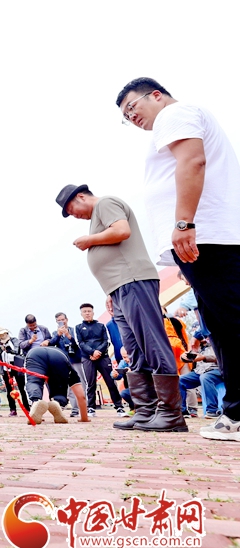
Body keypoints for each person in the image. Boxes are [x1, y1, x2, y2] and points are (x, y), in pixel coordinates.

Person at [116, 77, 240, 441]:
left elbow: (192, 161)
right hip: (206, 239)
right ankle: (235, 412)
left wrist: (184, 222)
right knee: (222, 326)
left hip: (208, 237)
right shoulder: (175, 120)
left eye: (132, 107)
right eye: (125, 116)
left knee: (231, 323)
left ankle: (237, 412)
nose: (131, 117)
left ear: (156, 95)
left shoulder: (175, 113)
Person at [58, 183, 183, 432]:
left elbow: (122, 231)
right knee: (134, 350)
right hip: (120, 288)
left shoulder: (105, 204)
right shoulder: (97, 216)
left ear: (81, 196)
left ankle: (171, 413)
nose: (74, 216)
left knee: (152, 343)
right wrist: (109, 291)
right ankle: (145, 411)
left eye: (72, 210)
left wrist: (89, 240)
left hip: (134, 280)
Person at [74, 303, 127, 417]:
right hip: (87, 358)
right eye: (84, 311)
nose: (87, 313)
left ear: (93, 312)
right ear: (81, 314)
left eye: (89, 311)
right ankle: (91, 408)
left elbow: (106, 341)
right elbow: (80, 343)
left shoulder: (101, 326)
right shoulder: (78, 327)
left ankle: (119, 407)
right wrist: (92, 352)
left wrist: (98, 352)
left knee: (110, 382)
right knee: (91, 383)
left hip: (103, 357)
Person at [23, 346, 89, 424]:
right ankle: (58, 403)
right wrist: (84, 418)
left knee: (34, 382)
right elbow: (81, 396)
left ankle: (35, 402)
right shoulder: (71, 370)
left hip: (35, 353)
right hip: (59, 356)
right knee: (59, 390)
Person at [49, 312, 84, 416]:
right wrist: (59, 335)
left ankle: (84, 408)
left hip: (76, 360)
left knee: (80, 383)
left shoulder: (74, 330)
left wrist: (68, 336)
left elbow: (77, 344)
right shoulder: (55, 333)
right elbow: (52, 344)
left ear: (67, 319)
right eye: (59, 320)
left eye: (63, 319)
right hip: (63, 362)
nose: (61, 322)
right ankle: (74, 409)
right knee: (68, 386)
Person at [0, 327, 25, 416]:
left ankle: (27, 408)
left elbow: (17, 350)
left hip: (16, 366)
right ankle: (13, 409)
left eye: (3, 333)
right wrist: (1, 350)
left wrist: (10, 350)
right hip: (5, 368)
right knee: (9, 389)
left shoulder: (14, 340)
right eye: (0, 334)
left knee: (22, 388)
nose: (2, 336)